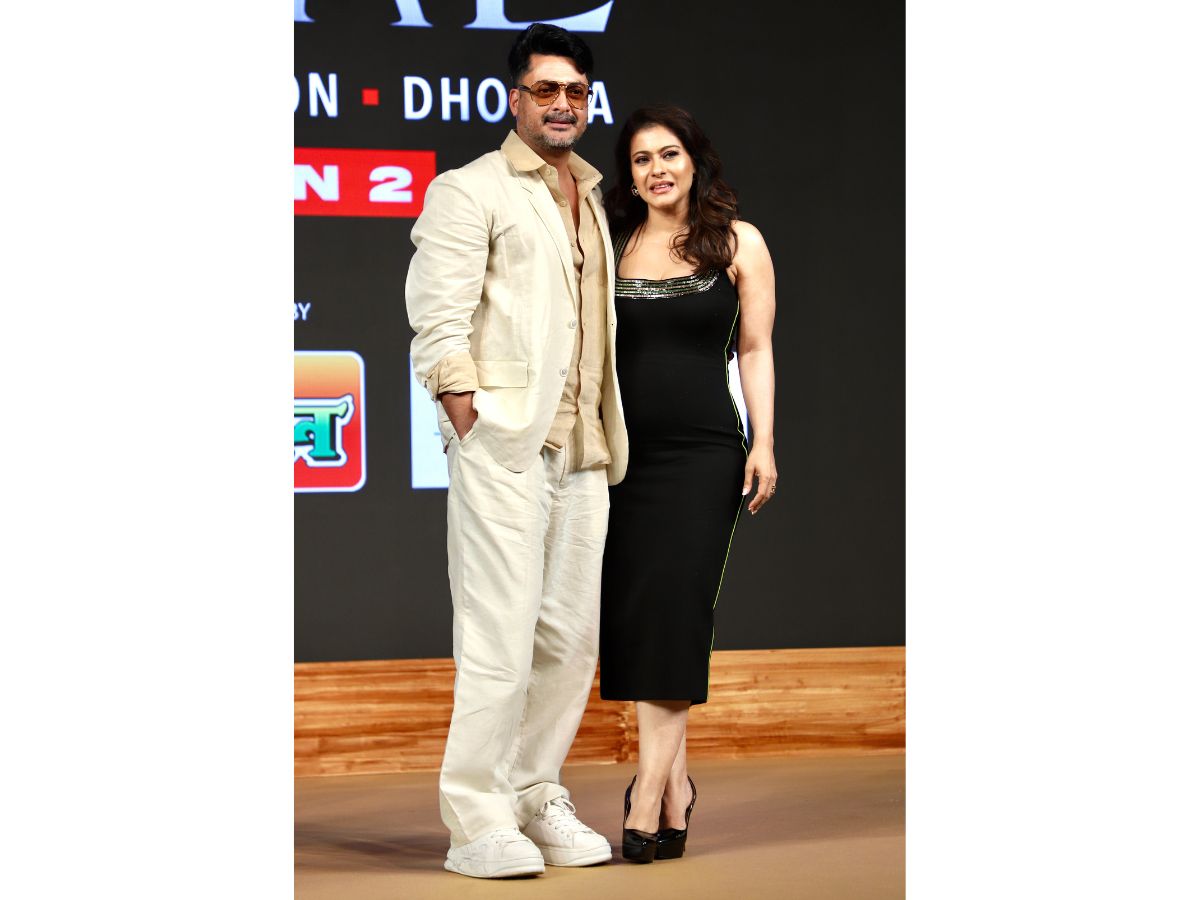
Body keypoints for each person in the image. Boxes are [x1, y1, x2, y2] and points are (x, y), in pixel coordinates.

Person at [405, 23, 628, 879]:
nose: (562, 104)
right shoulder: (470, 189)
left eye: (575, 91)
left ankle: (535, 795)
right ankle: (477, 819)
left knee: (569, 643)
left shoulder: (593, 196)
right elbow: (438, 319)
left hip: (586, 451)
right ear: (515, 99)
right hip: (506, 446)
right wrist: (472, 422)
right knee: (497, 638)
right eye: (546, 90)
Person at [598, 105, 778, 862]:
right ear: (630, 174)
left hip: (704, 454)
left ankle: (645, 796)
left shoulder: (738, 242)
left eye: (669, 154)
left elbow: (756, 349)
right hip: (619, 458)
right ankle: (675, 787)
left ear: (694, 160)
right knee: (639, 616)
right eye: (641, 159)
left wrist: (764, 441)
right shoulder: (608, 241)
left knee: (677, 610)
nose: (657, 170)